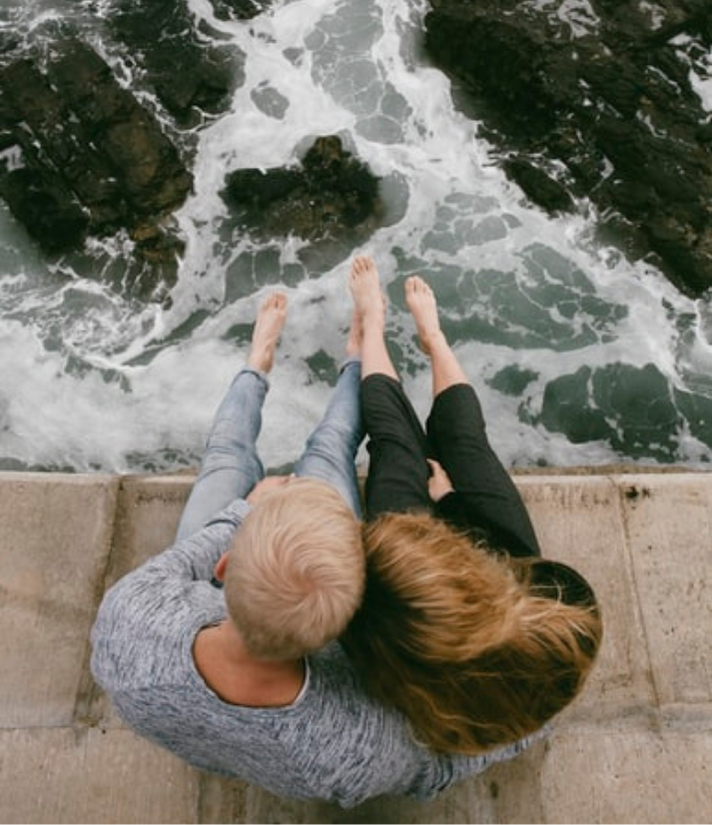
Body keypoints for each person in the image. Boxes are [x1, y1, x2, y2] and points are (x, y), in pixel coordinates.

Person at [90, 288, 543, 809]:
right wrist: (530, 721)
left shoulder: (128, 623)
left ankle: (259, 362)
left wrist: (244, 512)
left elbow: (175, 566)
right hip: (272, 605)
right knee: (330, 446)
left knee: (226, 459)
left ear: (225, 563)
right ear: (348, 625)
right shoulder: (354, 744)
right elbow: (439, 765)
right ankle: (353, 357)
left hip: (219, 595)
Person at [342, 254, 603, 755]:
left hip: (422, 600)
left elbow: (370, 627)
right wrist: (453, 502)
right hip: (508, 556)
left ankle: (372, 325)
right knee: (465, 440)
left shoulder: (404, 647)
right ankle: (433, 338)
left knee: (396, 444)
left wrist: (435, 511)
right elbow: (504, 560)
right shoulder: (557, 621)